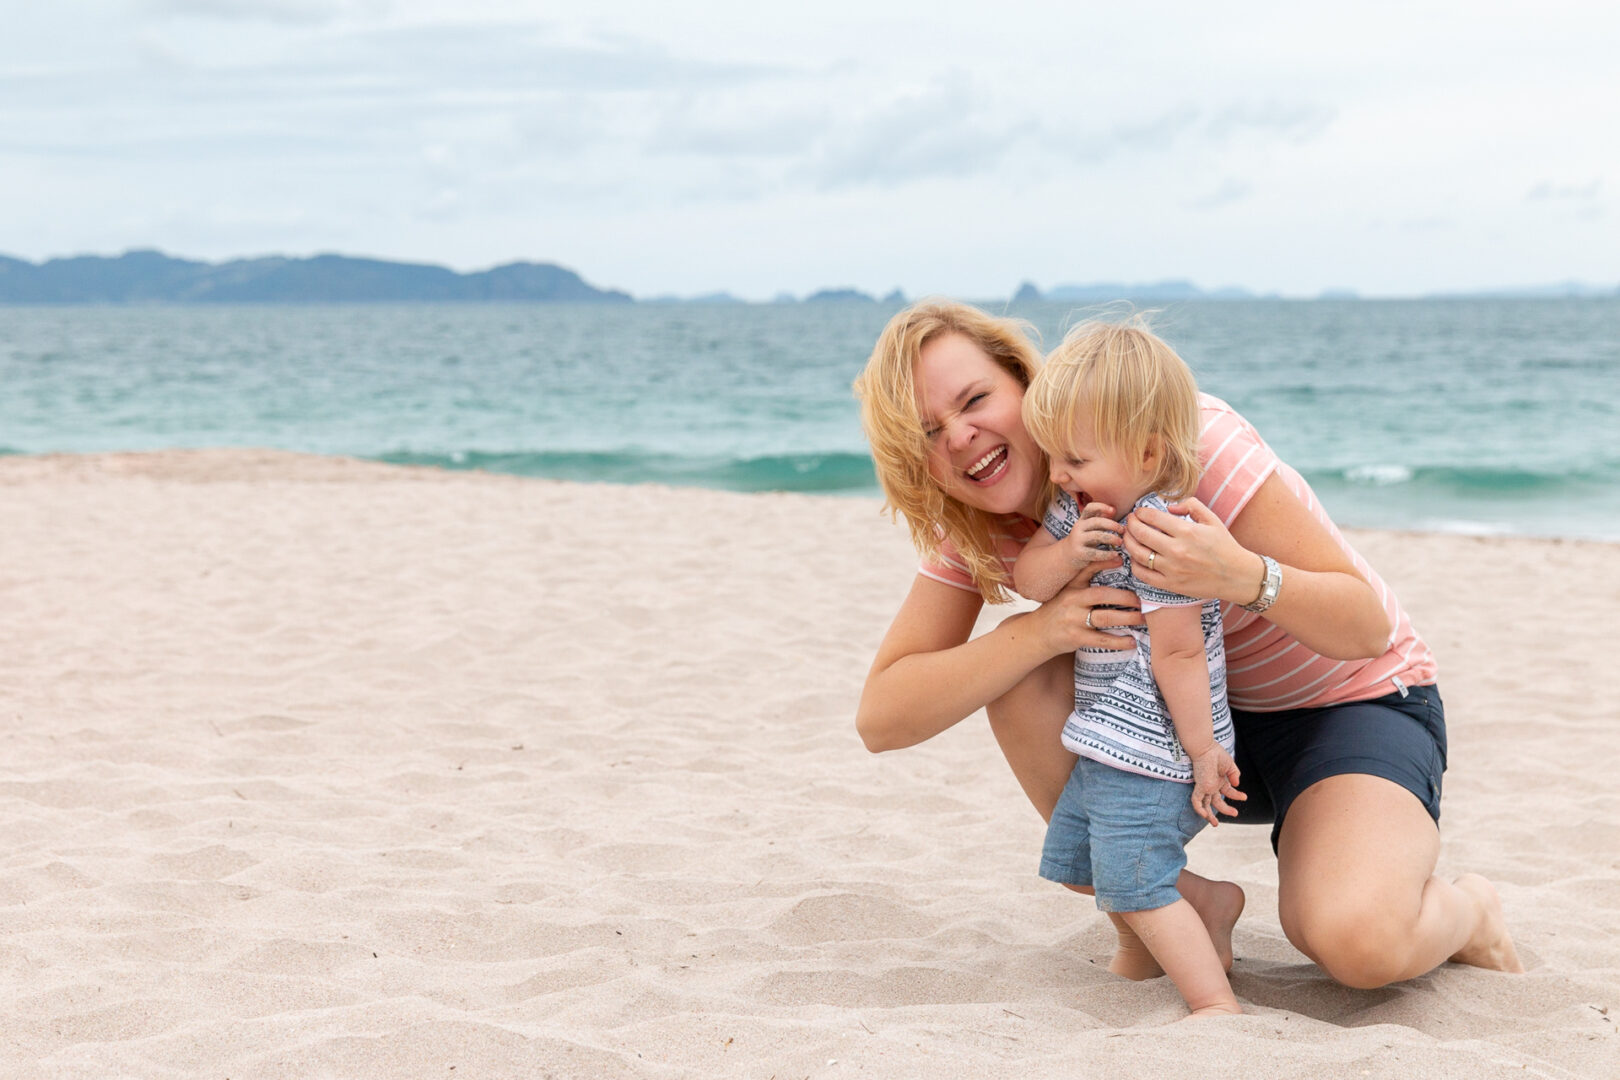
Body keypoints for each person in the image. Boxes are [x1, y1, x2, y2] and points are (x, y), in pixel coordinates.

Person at [851, 299, 1522, 991]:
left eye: (975, 400)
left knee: (1357, 943)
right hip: (1181, 742)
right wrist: (1039, 631)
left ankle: (1473, 912)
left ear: (1025, 382)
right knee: (1016, 674)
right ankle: (1180, 909)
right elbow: (882, 718)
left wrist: (1239, 575)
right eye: (928, 431)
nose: (960, 436)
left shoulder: (1172, 442)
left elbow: (1366, 629)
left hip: (1344, 706)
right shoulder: (977, 527)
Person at [1013, 320, 1245, 1015]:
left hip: (1159, 745)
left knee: (1135, 884)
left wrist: (1203, 752)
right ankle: (1210, 902)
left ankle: (1214, 1006)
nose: (1058, 474)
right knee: (1079, 866)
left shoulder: (1162, 534)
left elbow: (1180, 651)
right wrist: (1067, 554)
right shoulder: (1081, 512)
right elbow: (1028, 581)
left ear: (1146, 451)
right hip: (1103, 738)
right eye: (1054, 456)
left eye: (1075, 458)